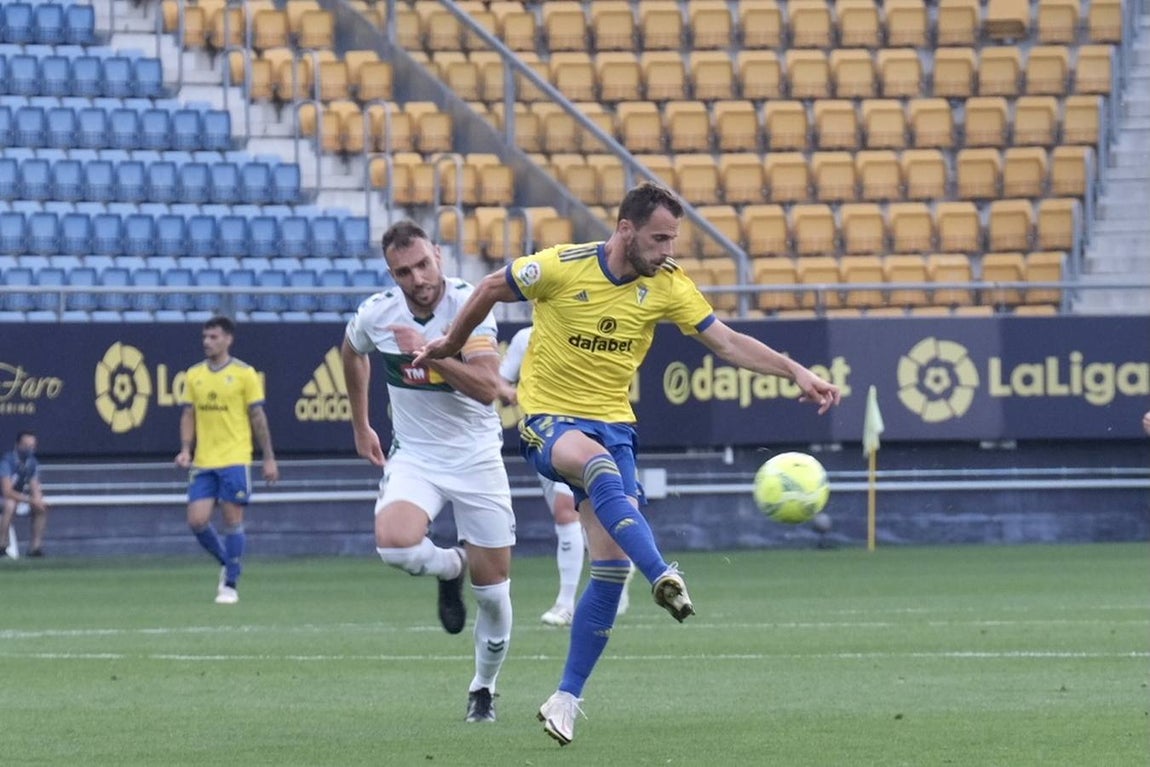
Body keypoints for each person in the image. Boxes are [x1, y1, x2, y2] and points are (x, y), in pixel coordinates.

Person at [415, 182, 842, 746]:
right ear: (625, 230)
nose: (668, 249)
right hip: (549, 420)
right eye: (659, 238)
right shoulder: (562, 267)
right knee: (594, 468)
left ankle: (566, 699)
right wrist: (450, 343)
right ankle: (663, 571)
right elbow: (494, 286)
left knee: (610, 569)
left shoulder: (668, 285)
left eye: (673, 240)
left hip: (615, 425)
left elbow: (727, 342)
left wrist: (794, 371)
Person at [342, 220, 516, 724]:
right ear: (392, 275)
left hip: (477, 457)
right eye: (404, 271)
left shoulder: (470, 305)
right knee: (393, 545)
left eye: (422, 263)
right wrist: (361, 426)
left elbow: (486, 387)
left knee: (495, 597)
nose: (417, 278)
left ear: (438, 255)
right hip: (416, 455)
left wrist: (429, 351)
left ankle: (483, 685)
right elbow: (351, 351)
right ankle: (450, 567)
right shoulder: (379, 313)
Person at [498, 325, 635, 626]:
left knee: (566, 514)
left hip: (584, 431)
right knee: (586, 518)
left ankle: (566, 603)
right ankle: (619, 568)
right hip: (543, 435)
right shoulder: (525, 338)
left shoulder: (584, 326)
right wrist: (511, 392)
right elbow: (499, 380)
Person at [175, 316, 279, 605]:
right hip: (204, 461)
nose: (207, 342)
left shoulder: (245, 374)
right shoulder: (194, 375)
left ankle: (230, 584)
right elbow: (188, 414)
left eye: (214, 337)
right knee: (196, 520)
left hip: (235, 458)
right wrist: (186, 449)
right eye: (205, 337)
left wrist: (268, 458)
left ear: (228, 340)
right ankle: (229, 562)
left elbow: (258, 417)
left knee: (233, 520)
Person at [0, 431, 50, 558]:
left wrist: (38, 500)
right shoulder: (7, 461)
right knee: (10, 505)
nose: (29, 449)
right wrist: (30, 499)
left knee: (40, 508)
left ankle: (35, 548)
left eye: (32, 446)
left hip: (18, 498)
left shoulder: (32, 462)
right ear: (17, 445)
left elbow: (35, 486)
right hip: (4, 498)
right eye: (26, 445)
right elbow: (7, 491)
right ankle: (2, 545)